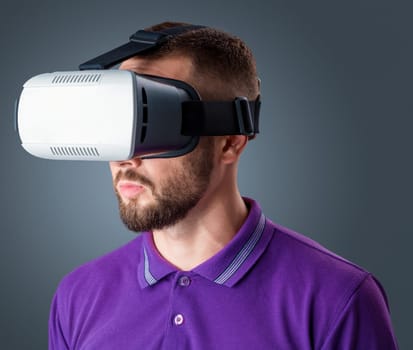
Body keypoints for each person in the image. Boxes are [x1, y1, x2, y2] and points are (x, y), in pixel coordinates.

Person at [49, 22, 398, 349]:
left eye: (151, 125)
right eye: (116, 126)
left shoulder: (336, 299)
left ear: (230, 142)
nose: (125, 158)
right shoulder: (78, 295)